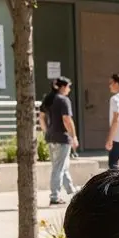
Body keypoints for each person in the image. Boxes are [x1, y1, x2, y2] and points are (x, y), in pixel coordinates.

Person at [41, 76, 79, 206]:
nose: (69, 89)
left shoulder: (48, 98)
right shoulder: (63, 100)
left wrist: (47, 131)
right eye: (68, 87)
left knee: (62, 166)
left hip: (51, 137)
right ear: (63, 87)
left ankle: (71, 191)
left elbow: (41, 117)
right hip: (62, 137)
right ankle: (55, 196)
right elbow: (67, 120)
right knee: (59, 167)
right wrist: (73, 136)